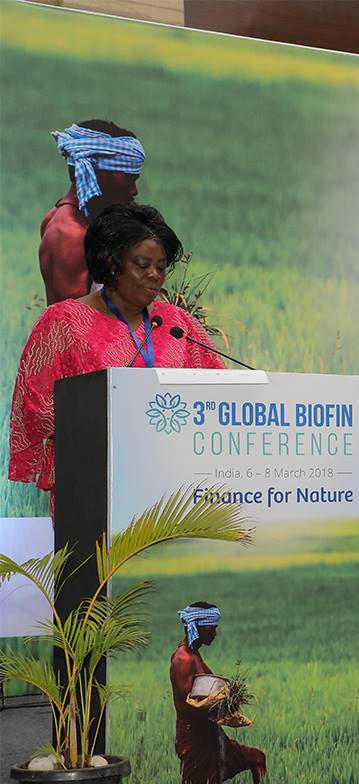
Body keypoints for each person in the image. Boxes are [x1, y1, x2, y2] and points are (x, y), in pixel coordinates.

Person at [9, 204, 223, 500]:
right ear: (111, 263)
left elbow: (218, 393)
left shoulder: (177, 323)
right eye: (142, 264)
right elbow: (33, 408)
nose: (154, 275)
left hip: (172, 485)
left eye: (161, 267)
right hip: (90, 483)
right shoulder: (63, 322)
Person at [41, 121, 145, 304]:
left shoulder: (62, 218)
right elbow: (72, 317)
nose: (134, 190)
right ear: (99, 175)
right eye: (129, 179)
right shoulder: (72, 234)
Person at [170, 602, 266, 784]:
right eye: (212, 627)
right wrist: (220, 706)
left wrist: (227, 705)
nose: (215, 633)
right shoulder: (184, 659)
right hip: (194, 736)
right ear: (198, 626)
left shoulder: (193, 655)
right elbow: (185, 706)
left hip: (208, 732)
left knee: (257, 758)